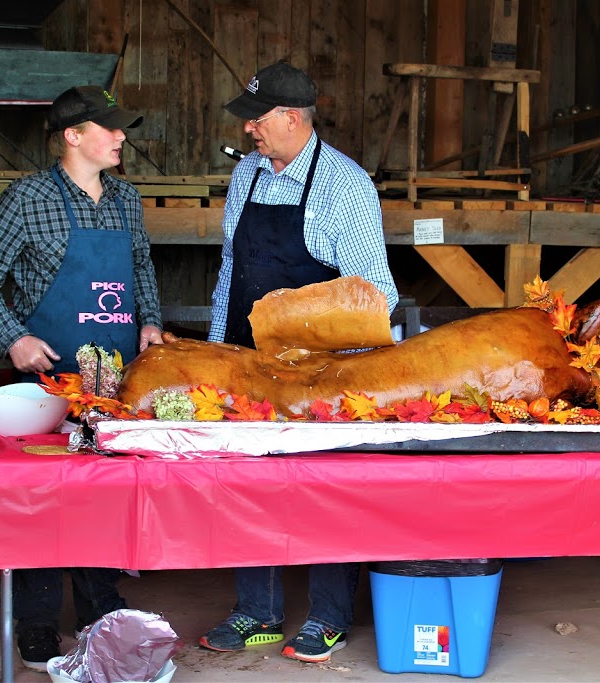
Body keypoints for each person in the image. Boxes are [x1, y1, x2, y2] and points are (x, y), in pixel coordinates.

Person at [0, 84, 163, 671]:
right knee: (42, 499)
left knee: (104, 494)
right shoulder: (27, 199)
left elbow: (142, 265)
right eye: (110, 127)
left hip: (113, 383)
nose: (122, 136)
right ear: (74, 136)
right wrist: (13, 339)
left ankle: (103, 608)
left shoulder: (126, 199)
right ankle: (38, 621)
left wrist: (149, 321)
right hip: (47, 384)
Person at [200, 62, 398, 664]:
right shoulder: (247, 176)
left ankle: (329, 617)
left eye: (256, 119)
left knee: (325, 490)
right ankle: (257, 613)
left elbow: (376, 296)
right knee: (245, 487)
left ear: (291, 118)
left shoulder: (346, 187)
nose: (249, 129)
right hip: (245, 361)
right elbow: (232, 270)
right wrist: (216, 347)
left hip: (320, 372)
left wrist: (354, 386)